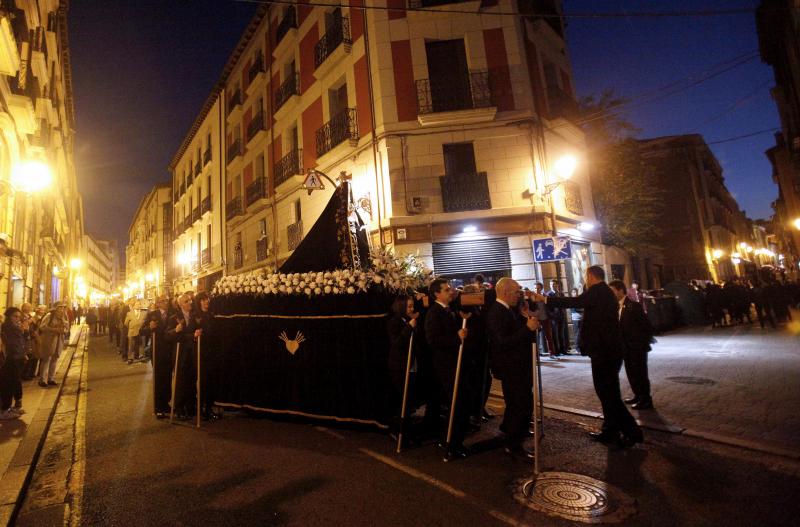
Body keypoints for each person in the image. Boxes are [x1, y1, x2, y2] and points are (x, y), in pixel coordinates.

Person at [532, 266, 643, 447]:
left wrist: (544, 298)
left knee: (608, 394)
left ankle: (632, 432)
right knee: (607, 393)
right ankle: (610, 430)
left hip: (605, 352)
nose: (585, 279)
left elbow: (574, 301)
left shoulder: (598, 291)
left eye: (586, 276)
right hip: (606, 351)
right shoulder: (603, 293)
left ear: (590, 276)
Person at [486, 278, 540, 459]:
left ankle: (510, 431)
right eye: (516, 292)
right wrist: (527, 328)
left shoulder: (507, 310)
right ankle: (514, 444)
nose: (519, 295)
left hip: (518, 365)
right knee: (521, 404)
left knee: (517, 403)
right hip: (512, 367)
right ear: (505, 292)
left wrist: (525, 321)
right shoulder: (497, 312)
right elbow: (502, 342)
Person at [424, 279, 470, 460]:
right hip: (447, 367)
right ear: (437, 293)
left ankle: (455, 440)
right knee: (457, 404)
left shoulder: (448, 310)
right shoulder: (434, 313)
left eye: (450, 289)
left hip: (456, 363)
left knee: (461, 403)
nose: (450, 292)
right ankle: (451, 444)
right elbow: (433, 340)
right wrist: (456, 337)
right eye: (446, 289)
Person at [610, 280, 655, 410]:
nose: (611, 294)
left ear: (620, 290)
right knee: (631, 372)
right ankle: (637, 395)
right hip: (625, 347)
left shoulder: (633, 306)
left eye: (612, 291)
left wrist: (640, 342)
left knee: (640, 373)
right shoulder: (616, 306)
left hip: (636, 347)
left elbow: (646, 326)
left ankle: (646, 399)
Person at [387, 295, 420, 441]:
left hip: (411, 364)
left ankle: (407, 429)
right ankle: (398, 430)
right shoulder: (394, 322)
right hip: (400, 366)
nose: (412, 309)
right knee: (403, 399)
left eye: (413, 306)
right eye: (409, 306)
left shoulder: (408, 321)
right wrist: (409, 328)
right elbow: (397, 343)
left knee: (410, 399)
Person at [142, 295, 174, 418]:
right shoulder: (152, 315)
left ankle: (166, 403)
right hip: (158, 350)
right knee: (159, 378)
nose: (165, 302)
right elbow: (142, 330)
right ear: (157, 303)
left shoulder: (172, 313)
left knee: (167, 378)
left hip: (169, 350)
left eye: (166, 300)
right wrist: (149, 327)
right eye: (162, 301)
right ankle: (158, 406)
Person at [166, 293, 197, 418]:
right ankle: (179, 407)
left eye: (190, 300)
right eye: (186, 301)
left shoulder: (195, 316)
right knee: (180, 381)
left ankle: (191, 406)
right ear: (180, 305)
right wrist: (176, 330)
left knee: (192, 380)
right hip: (181, 353)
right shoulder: (174, 318)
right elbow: (167, 335)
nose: (189, 302)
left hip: (193, 352)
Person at [188, 292, 218, 419]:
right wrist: (195, 335)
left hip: (211, 351)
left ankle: (209, 407)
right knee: (203, 381)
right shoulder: (195, 316)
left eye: (207, 299)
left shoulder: (212, 314)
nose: (206, 302)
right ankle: (201, 407)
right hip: (200, 352)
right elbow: (188, 333)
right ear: (199, 302)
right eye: (203, 300)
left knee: (210, 380)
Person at [1, 308, 27, 419]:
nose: (17, 319)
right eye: (15, 316)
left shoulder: (15, 328)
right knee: (8, 384)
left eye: (18, 316)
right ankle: (4, 410)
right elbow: (12, 345)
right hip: (10, 360)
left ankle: (8, 407)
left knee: (13, 383)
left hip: (16, 358)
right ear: (9, 317)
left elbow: (20, 344)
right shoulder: (9, 328)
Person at [38, 303, 68, 388]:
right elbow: (42, 327)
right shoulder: (49, 316)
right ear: (56, 308)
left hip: (59, 340)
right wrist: (54, 329)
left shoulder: (64, 317)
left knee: (55, 359)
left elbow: (66, 327)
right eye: (60, 307)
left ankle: (51, 378)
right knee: (47, 359)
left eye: (63, 308)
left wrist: (64, 330)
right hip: (49, 340)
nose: (62, 310)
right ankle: (42, 380)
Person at [531, 282, 556, 359]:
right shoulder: (532, 297)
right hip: (536, 319)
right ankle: (537, 354)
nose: (536, 289)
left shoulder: (544, 296)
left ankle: (551, 353)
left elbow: (550, 305)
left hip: (545, 318)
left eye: (538, 288)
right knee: (536, 337)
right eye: (535, 288)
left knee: (549, 336)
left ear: (541, 288)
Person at [546, 280, 569, 356]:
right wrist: (552, 315)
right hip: (554, 317)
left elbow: (565, 303)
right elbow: (547, 307)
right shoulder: (548, 294)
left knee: (561, 334)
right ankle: (557, 351)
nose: (552, 285)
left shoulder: (560, 293)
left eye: (554, 284)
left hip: (561, 316)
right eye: (551, 284)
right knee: (555, 335)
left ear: (557, 285)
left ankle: (563, 350)